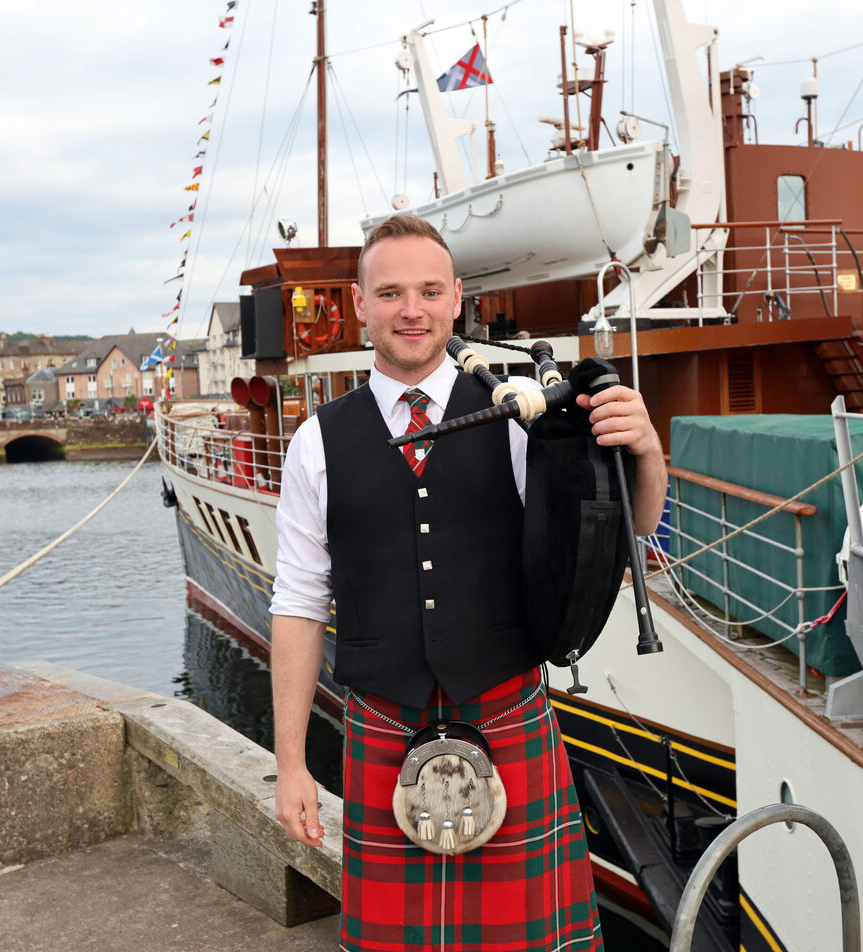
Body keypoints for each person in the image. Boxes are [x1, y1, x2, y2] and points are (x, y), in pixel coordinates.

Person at [269, 213, 667, 951]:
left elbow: (633, 529)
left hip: (507, 717)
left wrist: (644, 448)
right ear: (362, 304)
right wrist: (290, 764)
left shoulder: (524, 416)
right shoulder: (317, 441)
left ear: (457, 300)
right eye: (390, 293)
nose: (410, 310)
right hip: (385, 730)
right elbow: (296, 607)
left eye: (427, 291)